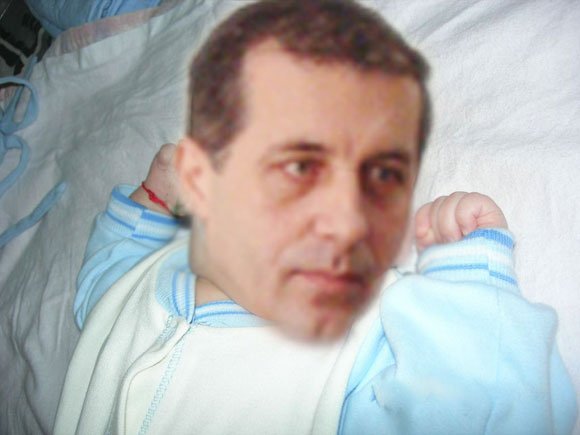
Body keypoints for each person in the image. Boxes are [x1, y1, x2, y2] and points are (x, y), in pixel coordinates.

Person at [55, 1, 577, 434]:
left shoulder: (347, 357)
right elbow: (104, 283)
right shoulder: (146, 280)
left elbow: (488, 412)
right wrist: (151, 199)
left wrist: (467, 281)